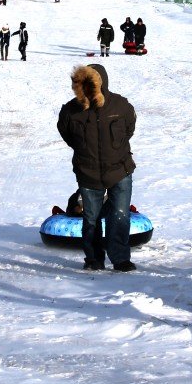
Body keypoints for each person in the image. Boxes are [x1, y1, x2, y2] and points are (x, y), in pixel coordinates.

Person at [57, 64, 137, 272]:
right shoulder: (70, 110)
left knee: (120, 215)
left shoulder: (120, 106)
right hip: (88, 173)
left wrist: (115, 149)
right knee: (90, 219)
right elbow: (67, 135)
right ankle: (94, 259)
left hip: (120, 170)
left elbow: (129, 128)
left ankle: (120, 259)